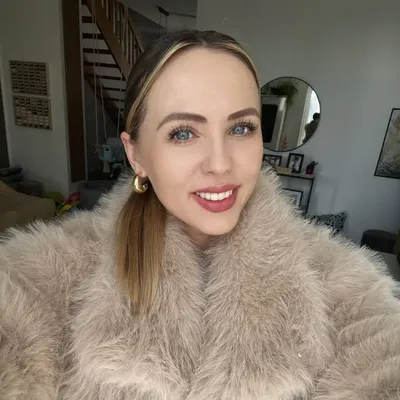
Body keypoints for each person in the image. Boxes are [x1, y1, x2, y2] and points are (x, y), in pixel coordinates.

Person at [0, 30, 400, 400]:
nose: (220, 164)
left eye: (241, 128)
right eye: (183, 133)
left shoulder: (338, 280)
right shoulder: (54, 272)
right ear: (136, 154)